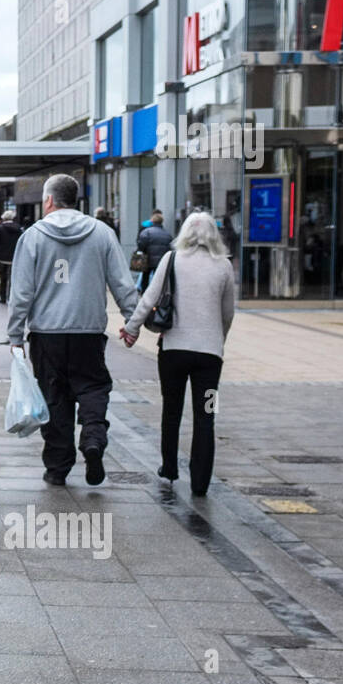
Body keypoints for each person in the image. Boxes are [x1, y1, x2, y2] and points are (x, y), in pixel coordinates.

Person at [7, 174, 138, 486]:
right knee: (93, 387)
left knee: (55, 396)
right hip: (88, 332)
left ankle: (57, 467)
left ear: (49, 200)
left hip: (46, 334)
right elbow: (122, 282)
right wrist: (132, 321)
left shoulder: (33, 236)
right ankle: (93, 438)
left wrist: (15, 336)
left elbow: (21, 292)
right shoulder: (102, 233)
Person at [120, 212, 235, 496]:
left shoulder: (172, 260)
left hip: (173, 351)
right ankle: (200, 482)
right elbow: (228, 313)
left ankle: (169, 467)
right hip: (209, 356)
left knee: (171, 410)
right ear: (213, 235)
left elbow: (149, 298)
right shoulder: (224, 266)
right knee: (206, 416)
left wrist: (131, 328)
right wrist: (218, 340)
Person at [135, 210, 173, 290]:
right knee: (158, 279)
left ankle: (144, 293)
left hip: (147, 260)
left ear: (152, 221)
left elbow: (141, 244)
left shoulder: (146, 232)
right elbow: (170, 248)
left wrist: (142, 251)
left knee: (145, 277)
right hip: (160, 261)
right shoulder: (167, 234)